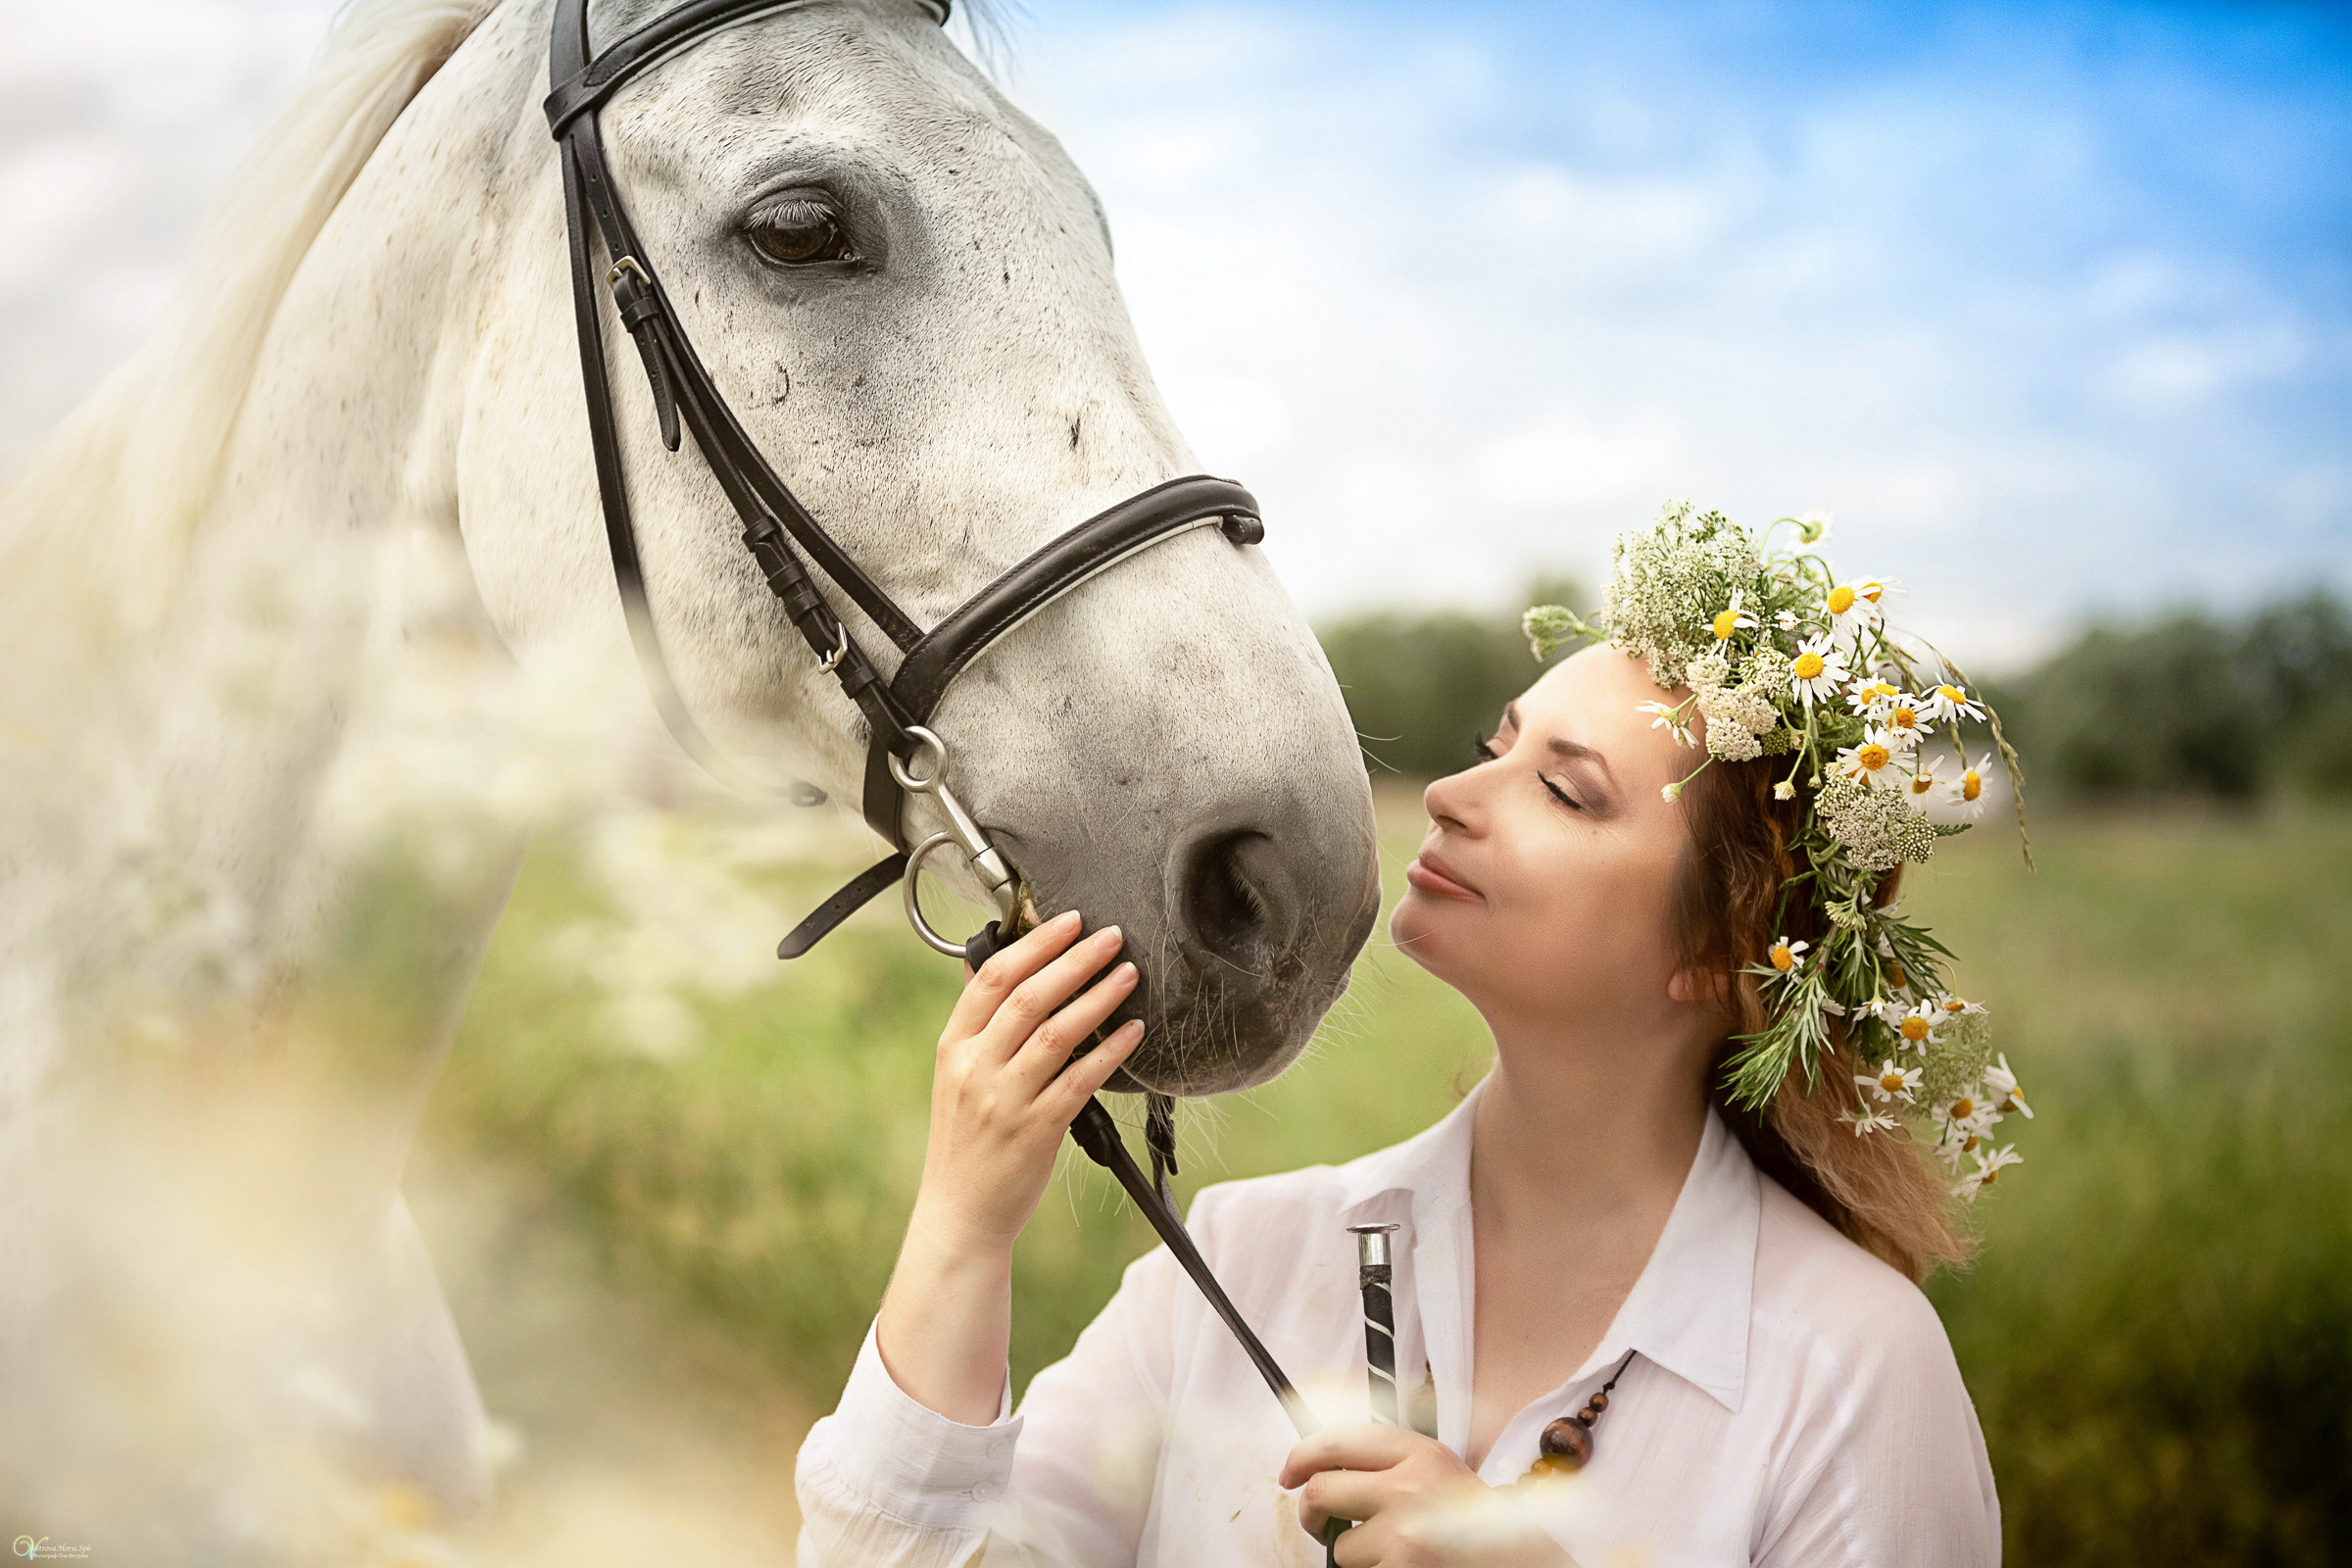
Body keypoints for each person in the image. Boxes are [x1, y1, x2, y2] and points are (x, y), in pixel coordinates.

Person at [796, 504, 2022, 1565]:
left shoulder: (1853, 1367)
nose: (1447, 795)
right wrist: (963, 1225)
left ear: (1721, 949)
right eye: (1497, 747)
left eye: (1563, 789)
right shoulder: (1243, 1262)